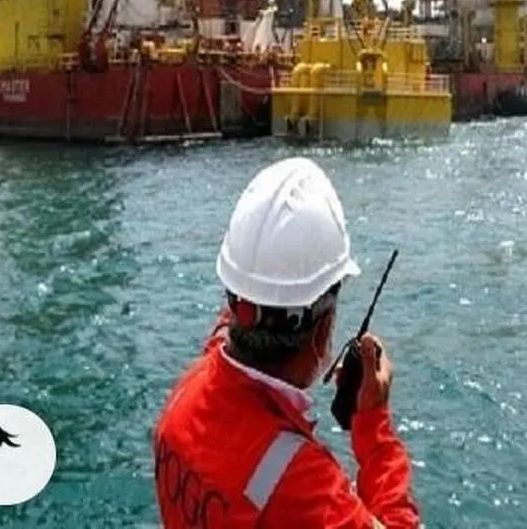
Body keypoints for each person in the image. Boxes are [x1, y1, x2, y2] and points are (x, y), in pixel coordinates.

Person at [151, 156, 421, 528]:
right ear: (322, 332)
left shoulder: (189, 388)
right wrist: (373, 425)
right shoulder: (303, 485)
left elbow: (229, 327)